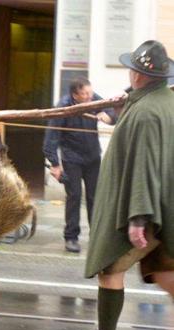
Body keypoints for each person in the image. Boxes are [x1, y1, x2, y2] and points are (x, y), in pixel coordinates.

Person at [82, 40, 174, 330]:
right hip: (165, 206)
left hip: (146, 209)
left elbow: (145, 164)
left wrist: (137, 219)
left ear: (137, 74)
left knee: (109, 268)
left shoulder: (146, 112)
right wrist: (124, 106)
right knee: (166, 273)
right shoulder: (164, 102)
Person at [43, 77, 116, 253]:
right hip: (71, 158)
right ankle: (71, 237)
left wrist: (108, 116)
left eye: (90, 93)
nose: (90, 96)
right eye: (85, 94)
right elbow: (51, 138)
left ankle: (97, 236)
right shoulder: (63, 107)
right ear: (75, 95)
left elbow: (111, 110)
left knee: (95, 197)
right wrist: (54, 164)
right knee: (74, 196)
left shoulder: (93, 98)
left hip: (92, 156)